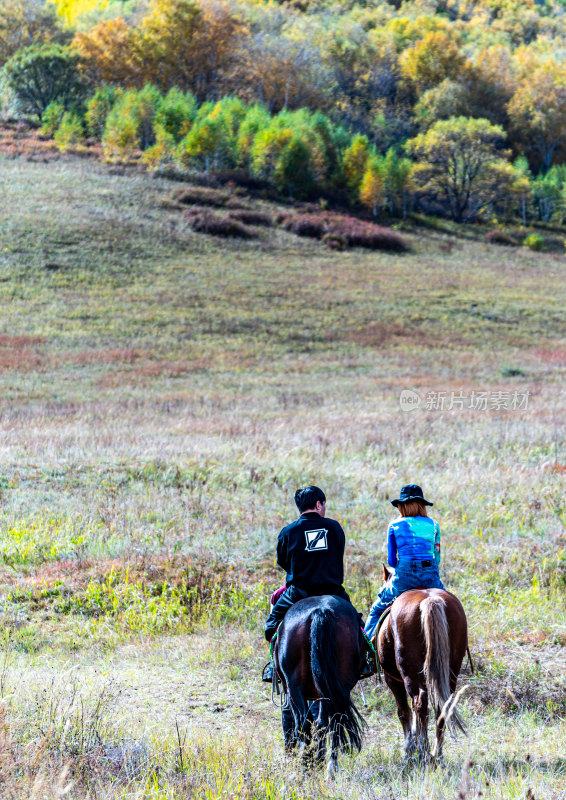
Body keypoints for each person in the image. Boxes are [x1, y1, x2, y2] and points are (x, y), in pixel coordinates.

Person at [262, 485, 356, 682]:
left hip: (299, 592)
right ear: (318, 504)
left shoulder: (288, 532)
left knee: (271, 626)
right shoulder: (334, 527)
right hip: (333, 592)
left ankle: (274, 665)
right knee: (357, 624)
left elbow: (283, 562)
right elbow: (337, 554)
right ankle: (365, 661)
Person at [364, 484, 445, 642]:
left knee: (376, 610)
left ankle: (367, 652)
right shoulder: (434, 525)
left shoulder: (394, 525)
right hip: (430, 576)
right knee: (451, 605)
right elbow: (437, 558)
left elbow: (392, 561)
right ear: (422, 505)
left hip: (404, 578)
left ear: (401, 506)